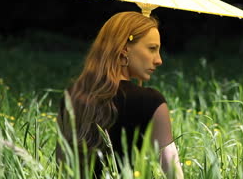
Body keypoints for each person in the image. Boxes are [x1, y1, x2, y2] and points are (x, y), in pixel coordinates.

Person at [56, 11, 183, 178]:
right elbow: (173, 173)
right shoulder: (151, 101)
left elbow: (61, 167)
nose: (159, 60)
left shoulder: (73, 95)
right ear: (124, 50)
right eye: (152, 49)